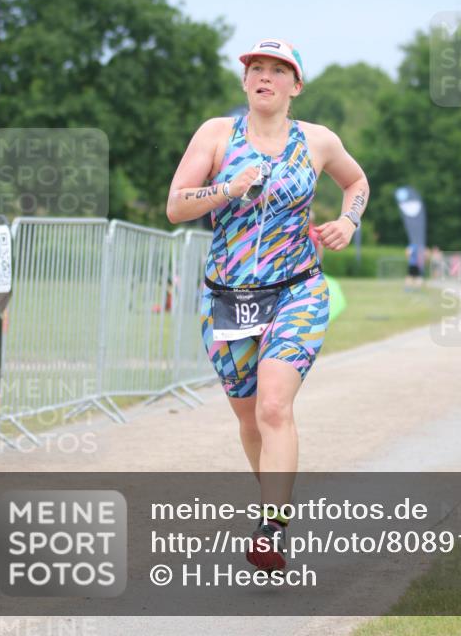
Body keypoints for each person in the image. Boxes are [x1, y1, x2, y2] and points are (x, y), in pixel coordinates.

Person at [166, 38, 369, 572]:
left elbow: (356, 182)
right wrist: (227, 189)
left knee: (274, 406)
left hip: (296, 289)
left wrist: (349, 221)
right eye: (256, 68)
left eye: (278, 71)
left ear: (295, 86)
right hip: (227, 298)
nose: (264, 77)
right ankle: (272, 510)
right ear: (245, 81)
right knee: (251, 419)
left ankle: (271, 529)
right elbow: (175, 205)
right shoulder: (216, 135)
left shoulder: (318, 141)